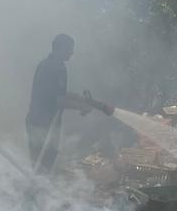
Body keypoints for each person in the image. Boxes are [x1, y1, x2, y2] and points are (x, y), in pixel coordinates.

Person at [26, 34, 114, 174]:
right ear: (59, 48)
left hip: (50, 123)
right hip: (40, 123)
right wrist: (80, 106)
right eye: (69, 49)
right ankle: (35, 186)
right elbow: (55, 100)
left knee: (47, 160)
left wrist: (82, 99)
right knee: (40, 163)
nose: (71, 53)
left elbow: (60, 93)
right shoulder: (49, 67)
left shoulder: (58, 66)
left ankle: (41, 184)